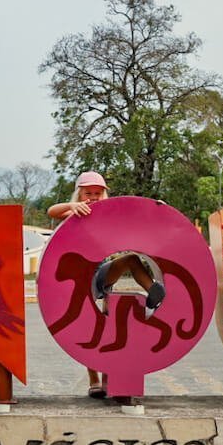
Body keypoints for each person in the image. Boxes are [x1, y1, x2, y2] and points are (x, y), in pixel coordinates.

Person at [47, 171, 166, 399]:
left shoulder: (110, 213)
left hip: (100, 273)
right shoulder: (74, 213)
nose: (92, 197)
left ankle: (153, 290)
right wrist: (72, 207)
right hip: (78, 279)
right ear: (79, 194)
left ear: (105, 195)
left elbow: (137, 215)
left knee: (131, 259)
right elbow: (52, 211)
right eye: (87, 193)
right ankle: (94, 380)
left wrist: (158, 208)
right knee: (90, 326)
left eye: (97, 193)